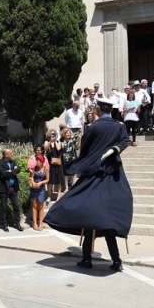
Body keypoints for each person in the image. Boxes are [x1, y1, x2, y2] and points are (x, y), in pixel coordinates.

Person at [45, 97, 133, 273]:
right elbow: (125, 141)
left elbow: (85, 150)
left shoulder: (93, 127)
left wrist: (79, 165)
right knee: (108, 223)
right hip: (113, 175)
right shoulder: (119, 126)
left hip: (94, 173)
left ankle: (86, 259)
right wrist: (114, 150)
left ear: (99, 109)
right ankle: (116, 261)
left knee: (88, 221)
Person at [0, 149, 23, 232]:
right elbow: (3, 174)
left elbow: (19, 169)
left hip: (13, 187)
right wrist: (13, 171)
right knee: (3, 207)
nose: (12, 154)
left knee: (16, 206)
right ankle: (4, 224)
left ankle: (17, 223)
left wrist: (10, 171)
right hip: (4, 188)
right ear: (6, 154)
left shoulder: (13, 162)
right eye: (11, 153)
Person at [28, 159, 49, 230]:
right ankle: (34, 223)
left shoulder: (46, 169)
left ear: (41, 162)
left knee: (41, 206)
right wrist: (33, 183)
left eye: (38, 161)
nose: (36, 162)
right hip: (34, 188)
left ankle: (41, 223)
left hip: (41, 189)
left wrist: (40, 183)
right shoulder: (34, 168)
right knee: (34, 206)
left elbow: (47, 179)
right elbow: (31, 177)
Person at [45, 130, 65, 202]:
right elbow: (45, 148)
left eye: (54, 134)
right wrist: (50, 141)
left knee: (58, 180)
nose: (53, 135)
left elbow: (58, 149)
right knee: (50, 180)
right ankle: (49, 195)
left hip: (58, 163)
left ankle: (58, 195)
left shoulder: (58, 142)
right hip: (50, 163)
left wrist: (55, 141)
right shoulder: (47, 142)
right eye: (52, 134)